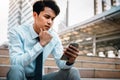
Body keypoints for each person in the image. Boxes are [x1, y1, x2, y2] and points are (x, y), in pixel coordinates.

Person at [7, 0, 80, 80]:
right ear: (35, 15)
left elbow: (61, 64)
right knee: (15, 70)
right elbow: (16, 62)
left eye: (52, 19)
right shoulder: (17, 32)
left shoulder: (53, 36)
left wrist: (69, 61)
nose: (50, 22)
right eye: (47, 17)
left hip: (41, 78)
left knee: (73, 71)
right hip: (21, 76)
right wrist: (40, 45)